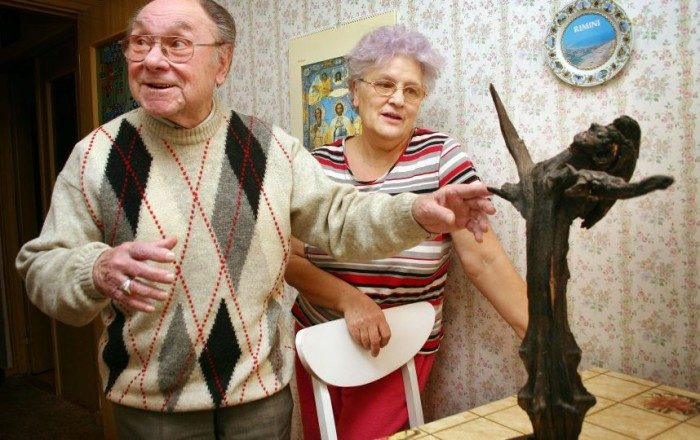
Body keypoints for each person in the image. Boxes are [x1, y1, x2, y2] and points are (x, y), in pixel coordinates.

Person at [14, 2, 497, 439]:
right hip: (152, 407)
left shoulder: (272, 149)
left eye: (177, 43)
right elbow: (41, 265)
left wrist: (415, 211)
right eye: (140, 42)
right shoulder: (95, 156)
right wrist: (95, 270)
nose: (153, 59)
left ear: (221, 62)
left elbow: (340, 217)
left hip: (260, 400)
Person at [285, 25, 529, 440]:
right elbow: (288, 259)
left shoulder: (441, 157)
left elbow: (484, 259)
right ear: (354, 91)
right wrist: (350, 300)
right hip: (320, 336)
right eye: (384, 84)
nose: (397, 99)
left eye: (411, 90)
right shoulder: (316, 166)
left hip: (399, 346)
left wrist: (539, 335)